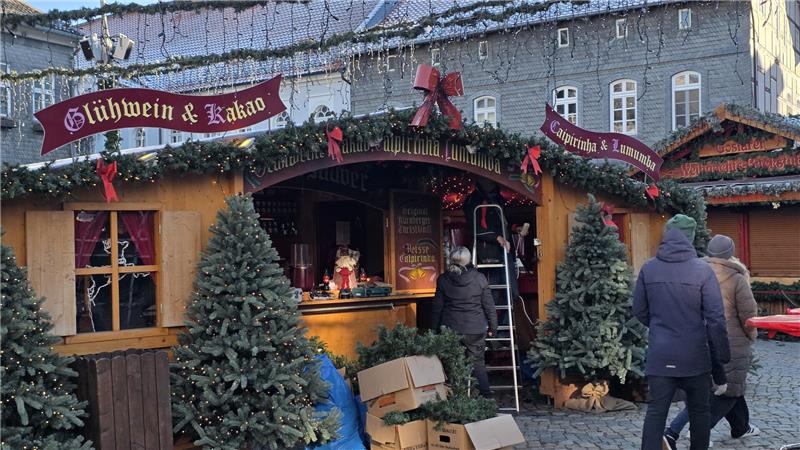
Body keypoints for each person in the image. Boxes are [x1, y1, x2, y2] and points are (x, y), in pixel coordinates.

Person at [632, 214, 730, 450]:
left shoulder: (649, 268)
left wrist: (659, 326)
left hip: (661, 354)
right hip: (695, 356)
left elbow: (639, 310)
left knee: (656, 413)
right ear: (691, 238)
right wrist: (722, 357)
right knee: (699, 412)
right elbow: (716, 320)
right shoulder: (702, 271)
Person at [663, 235, 761, 450]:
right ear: (730, 253)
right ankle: (681, 431)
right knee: (727, 390)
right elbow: (748, 314)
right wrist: (751, 336)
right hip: (730, 342)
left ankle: (741, 427)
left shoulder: (693, 272)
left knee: (726, 386)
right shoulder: (736, 278)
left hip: (698, 340)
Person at [432, 246, 498, 397]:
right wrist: (493, 328)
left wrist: (434, 330)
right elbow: (489, 306)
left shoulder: (443, 279)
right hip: (475, 328)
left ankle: (457, 400)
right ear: (469, 260)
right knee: (478, 364)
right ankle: (486, 397)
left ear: (451, 260)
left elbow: (437, 308)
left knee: (453, 365)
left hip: (451, 328)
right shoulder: (480, 278)